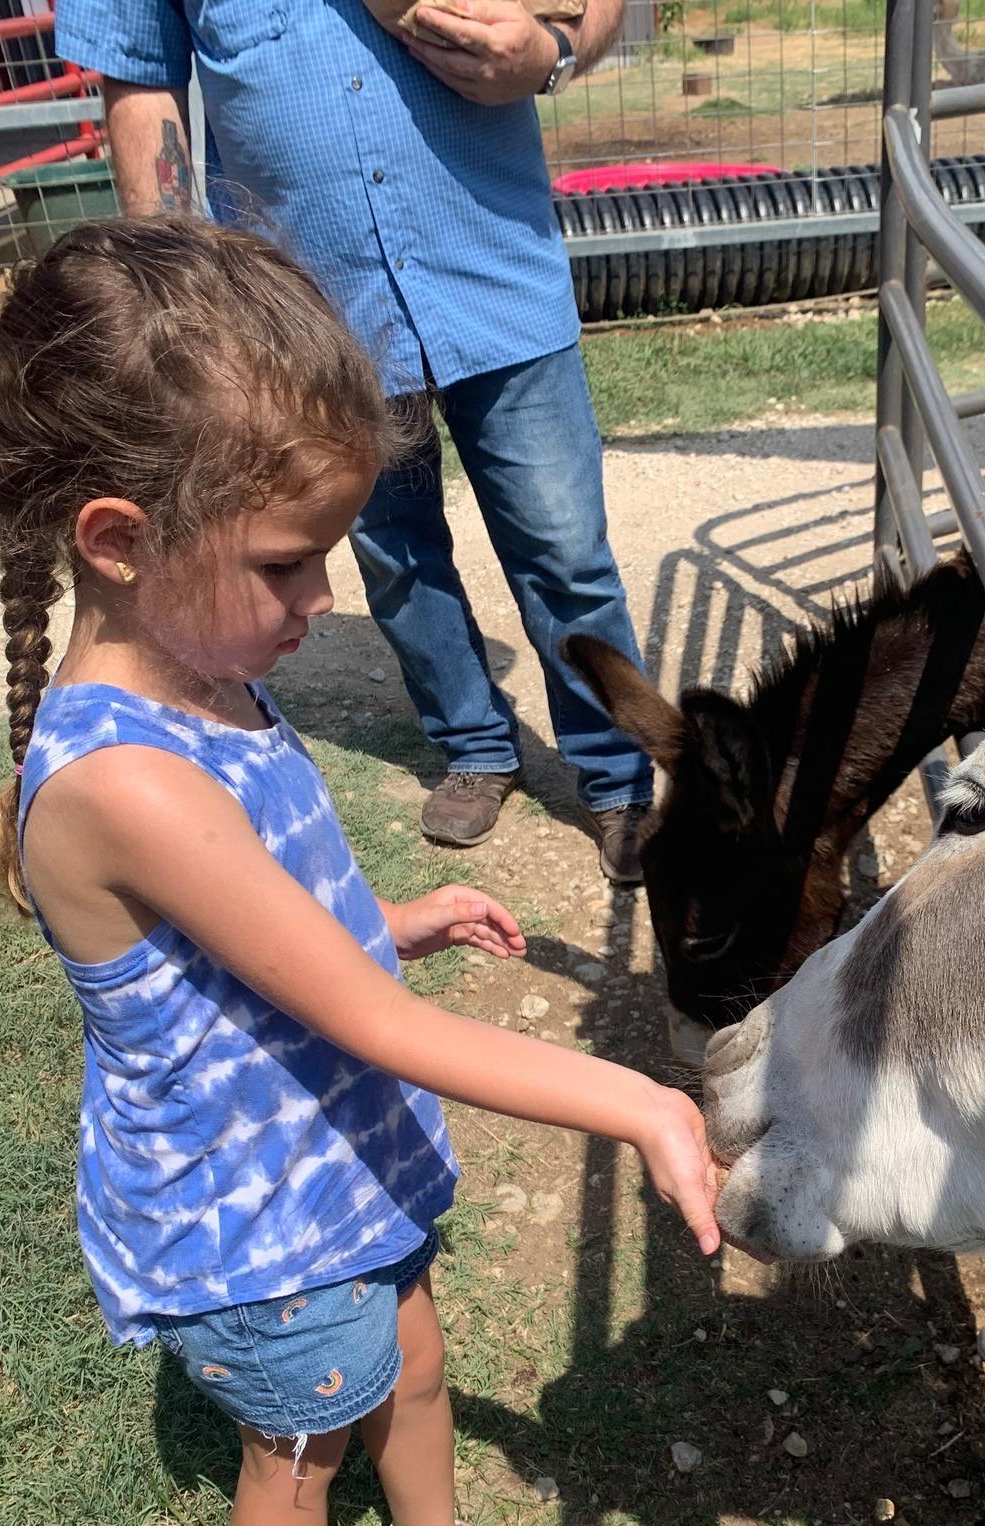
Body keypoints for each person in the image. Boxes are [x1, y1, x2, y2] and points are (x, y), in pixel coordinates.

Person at [0, 219, 718, 1526]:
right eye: (289, 562)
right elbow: (362, 1019)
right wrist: (635, 1098)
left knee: (414, 1354)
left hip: (332, 1159)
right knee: (300, 1450)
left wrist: (390, 911)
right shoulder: (125, 782)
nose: (326, 600)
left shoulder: (209, 674)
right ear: (117, 540)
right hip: (258, 1219)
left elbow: (265, 930)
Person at [56, 0, 656, 883]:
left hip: (497, 275)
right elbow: (140, 75)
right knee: (392, 554)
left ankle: (619, 778)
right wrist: (183, 303)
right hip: (315, 315)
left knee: (563, 549)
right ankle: (474, 744)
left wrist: (557, 50)